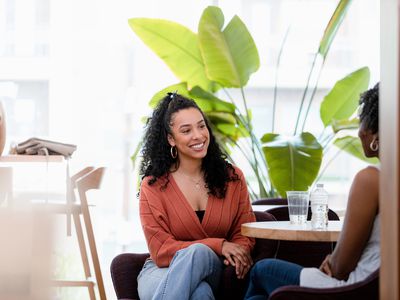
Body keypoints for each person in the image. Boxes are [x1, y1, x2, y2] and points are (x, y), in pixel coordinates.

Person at [245, 83, 380, 299]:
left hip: (352, 287)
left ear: (375, 132)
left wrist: (333, 261)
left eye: (362, 117)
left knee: (262, 270)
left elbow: (341, 267)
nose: (358, 130)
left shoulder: (371, 179)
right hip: (372, 286)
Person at [137, 92, 256, 300]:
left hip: (214, 269)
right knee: (200, 293)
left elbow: (244, 230)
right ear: (171, 139)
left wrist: (238, 252)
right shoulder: (153, 185)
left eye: (201, 126)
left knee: (199, 253)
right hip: (160, 272)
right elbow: (161, 249)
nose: (198, 135)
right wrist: (218, 245)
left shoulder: (232, 178)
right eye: (186, 130)